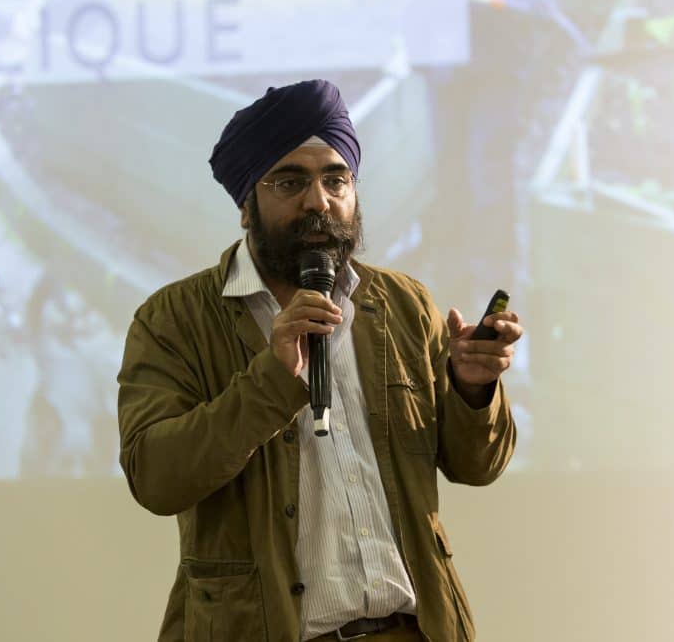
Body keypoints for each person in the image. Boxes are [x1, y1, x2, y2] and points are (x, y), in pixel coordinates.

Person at [117, 80, 522, 642]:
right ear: (244, 206)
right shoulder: (174, 320)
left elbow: (476, 466)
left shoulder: (402, 304)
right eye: (290, 181)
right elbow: (155, 479)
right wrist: (270, 382)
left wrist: (472, 389)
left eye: (336, 179)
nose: (318, 201)